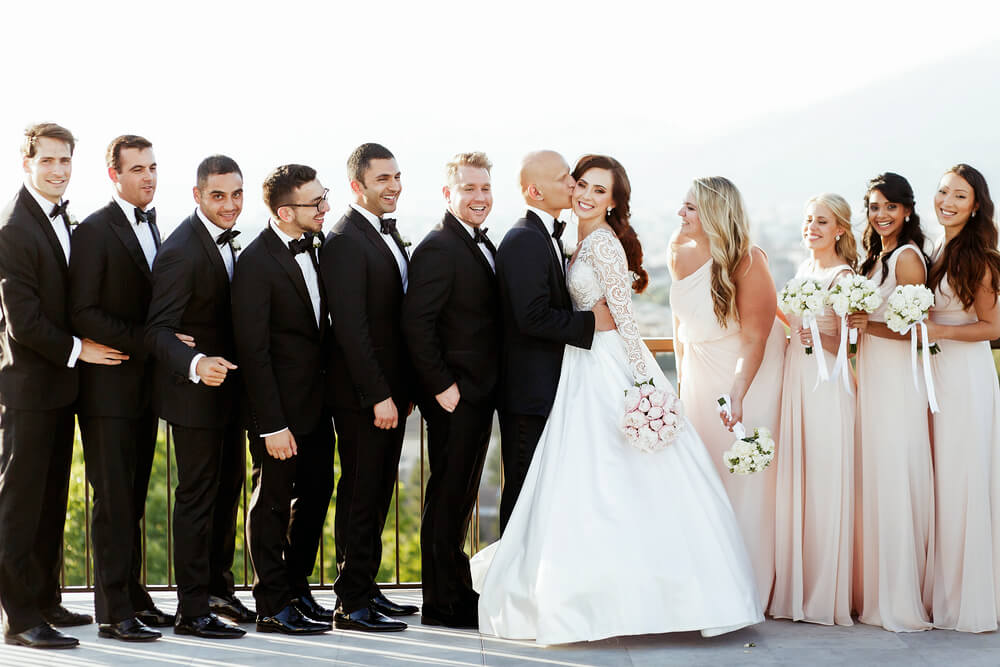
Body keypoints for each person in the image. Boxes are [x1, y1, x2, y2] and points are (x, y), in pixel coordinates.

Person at [472, 155, 763, 645]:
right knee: (578, 476)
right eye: (582, 184)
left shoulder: (604, 244)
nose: (586, 194)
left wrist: (645, 386)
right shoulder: (570, 239)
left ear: (613, 201)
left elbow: (625, 319)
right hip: (576, 364)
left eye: (599, 191)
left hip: (607, 364)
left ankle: (649, 599)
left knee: (621, 476)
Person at [0, 123, 126, 649]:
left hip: (60, 390)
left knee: (52, 501)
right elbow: (23, 322)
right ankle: (20, 617)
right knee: (19, 505)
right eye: (48, 161)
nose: (58, 170)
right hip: (28, 389)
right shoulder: (12, 228)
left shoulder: (59, 219)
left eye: (65, 161)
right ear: (27, 163)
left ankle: (47, 598)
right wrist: (82, 349)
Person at [68, 135, 172, 642]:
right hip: (107, 389)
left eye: (152, 167)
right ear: (114, 175)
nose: (148, 177)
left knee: (132, 497)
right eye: (137, 169)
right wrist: (149, 343)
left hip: (142, 390)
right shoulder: (93, 230)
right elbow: (82, 311)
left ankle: (134, 594)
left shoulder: (155, 223)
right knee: (111, 501)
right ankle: (112, 612)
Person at [145, 155, 252, 639]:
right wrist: (194, 364)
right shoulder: (182, 249)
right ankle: (191, 610)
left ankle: (217, 588)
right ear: (197, 196)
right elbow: (158, 330)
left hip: (229, 396)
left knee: (227, 493)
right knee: (195, 499)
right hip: (193, 397)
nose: (229, 205)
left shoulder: (229, 241)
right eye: (218, 195)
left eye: (236, 194)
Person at [668, 176, 786, 607]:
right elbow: (679, 327)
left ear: (716, 215)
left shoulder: (748, 262)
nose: (681, 214)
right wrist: (680, 384)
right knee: (701, 478)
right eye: (682, 205)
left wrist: (737, 394)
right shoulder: (677, 250)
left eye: (691, 208)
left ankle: (746, 589)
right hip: (698, 378)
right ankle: (704, 585)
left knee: (743, 482)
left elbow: (756, 338)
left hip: (745, 380)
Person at [231, 164, 335, 636]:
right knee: (270, 504)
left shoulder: (317, 245)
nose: (325, 208)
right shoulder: (255, 263)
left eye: (324, 197)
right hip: (278, 415)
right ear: (286, 211)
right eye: (316, 203)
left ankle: (296, 587)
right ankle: (271, 603)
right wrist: (271, 425)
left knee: (316, 495)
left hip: (317, 406)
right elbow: (253, 352)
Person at [322, 143, 419, 632]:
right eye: (383, 179)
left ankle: (365, 587)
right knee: (361, 494)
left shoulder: (379, 233)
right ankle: (351, 602)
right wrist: (378, 394)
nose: (394, 186)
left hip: (390, 394)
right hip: (364, 398)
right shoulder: (343, 239)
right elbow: (352, 329)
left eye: (397, 176)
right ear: (357, 185)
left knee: (377, 492)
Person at [402, 152, 501, 629]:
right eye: (469, 189)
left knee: (459, 498)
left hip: (477, 394)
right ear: (448, 194)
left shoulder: (478, 242)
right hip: (454, 397)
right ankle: (441, 604)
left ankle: (457, 591)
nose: (478, 197)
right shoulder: (439, 246)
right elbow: (416, 324)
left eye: (484, 188)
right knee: (446, 499)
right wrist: (442, 387)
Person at [494, 150, 615, 534]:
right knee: (523, 491)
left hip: (551, 388)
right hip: (529, 392)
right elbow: (531, 317)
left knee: (542, 492)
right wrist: (590, 322)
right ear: (535, 190)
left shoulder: (545, 235)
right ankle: (508, 584)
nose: (572, 184)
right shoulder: (523, 239)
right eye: (565, 178)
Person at [770, 194, 859, 626]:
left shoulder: (843, 277)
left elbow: (851, 345)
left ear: (840, 228)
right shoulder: (805, 269)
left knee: (825, 478)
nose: (813, 228)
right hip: (796, 379)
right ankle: (796, 587)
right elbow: (793, 321)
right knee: (799, 477)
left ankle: (826, 590)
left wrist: (812, 336)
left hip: (826, 383)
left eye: (822, 221)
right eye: (808, 220)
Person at [853, 172, 934, 632]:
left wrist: (868, 327)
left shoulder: (906, 260)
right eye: (873, 207)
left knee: (895, 474)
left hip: (898, 380)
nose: (880, 215)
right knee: (878, 476)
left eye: (889, 206)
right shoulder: (874, 259)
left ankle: (900, 598)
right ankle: (879, 592)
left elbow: (916, 331)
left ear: (906, 210)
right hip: (873, 374)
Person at [925, 164, 1000, 632]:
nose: (947, 201)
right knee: (943, 483)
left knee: (964, 480)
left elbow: (995, 326)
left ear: (975, 206)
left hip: (967, 379)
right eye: (942, 192)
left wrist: (935, 330)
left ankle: (969, 599)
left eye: (959, 195)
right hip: (938, 377)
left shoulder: (981, 257)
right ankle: (944, 590)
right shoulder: (937, 250)